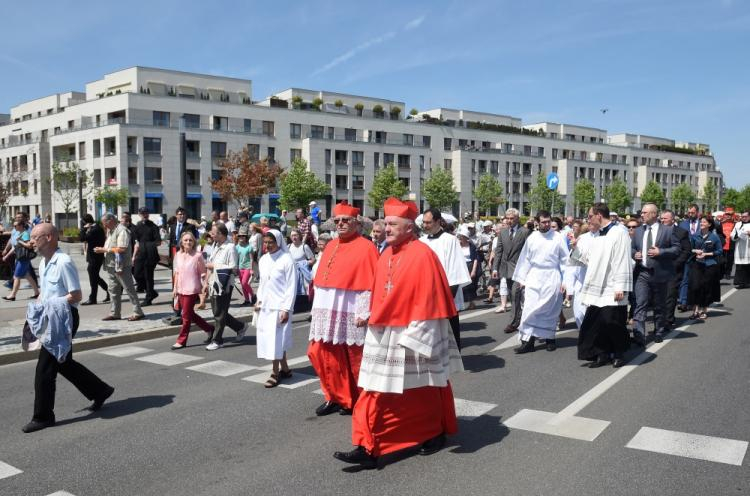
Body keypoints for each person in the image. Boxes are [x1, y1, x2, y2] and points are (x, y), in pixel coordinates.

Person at [333, 197, 463, 470]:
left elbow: (430, 300)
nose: (386, 228)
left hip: (411, 333)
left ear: (409, 227)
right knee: (374, 391)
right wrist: (368, 312)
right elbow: (378, 290)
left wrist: (418, 335)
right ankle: (368, 445)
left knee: (424, 389)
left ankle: (433, 431)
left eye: (392, 224)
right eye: (386, 223)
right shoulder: (386, 253)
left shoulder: (423, 254)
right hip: (384, 332)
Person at [22, 223, 114, 433]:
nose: (32, 241)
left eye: (36, 237)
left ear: (50, 237)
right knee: (63, 363)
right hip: (50, 317)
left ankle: (43, 416)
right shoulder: (44, 262)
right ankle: (100, 390)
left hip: (63, 318)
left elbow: (76, 295)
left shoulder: (63, 262)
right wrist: (38, 306)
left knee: (44, 369)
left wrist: (50, 304)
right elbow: (47, 293)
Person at [308, 202, 378, 416]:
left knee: (354, 357)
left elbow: (370, 281)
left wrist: (364, 311)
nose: (340, 224)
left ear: (356, 223)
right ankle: (334, 396)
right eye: (337, 221)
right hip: (326, 309)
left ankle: (359, 399)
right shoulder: (330, 245)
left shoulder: (367, 247)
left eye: (345, 220)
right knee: (322, 354)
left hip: (350, 309)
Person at [572, 203, 633, 368]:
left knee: (612, 321)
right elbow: (590, 259)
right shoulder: (598, 235)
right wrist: (575, 248)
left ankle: (619, 353)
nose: (588, 220)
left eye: (590, 216)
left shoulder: (619, 232)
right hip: (597, 285)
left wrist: (620, 286)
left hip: (612, 286)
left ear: (599, 215)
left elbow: (622, 259)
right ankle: (602, 353)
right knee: (595, 323)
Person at [512, 211, 569, 353]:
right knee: (530, 309)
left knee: (550, 309)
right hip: (534, 276)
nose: (547, 224)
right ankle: (528, 342)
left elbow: (565, 260)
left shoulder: (558, 238)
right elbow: (525, 259)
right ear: (537, 222)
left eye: (548, 221)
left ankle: (550, 339)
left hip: (552, 275)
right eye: (544, 222)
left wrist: (565, 280)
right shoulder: (532, 238)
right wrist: (522, 278)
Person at [419, 208, 471, 348]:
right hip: (426, 293)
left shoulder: (450, 240)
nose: (425, 225)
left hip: (446, 293)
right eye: (424, 222)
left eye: (428, 222)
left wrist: (447, 297)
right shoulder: (421, 241)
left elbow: (455, 268)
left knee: (450, 330)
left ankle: (453, 360)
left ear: (438, 221)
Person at [630, 203, 680, 345]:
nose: (642, 215)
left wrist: (661, 252)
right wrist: (635, 254)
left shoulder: (668, 230)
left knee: (659, 304)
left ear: (653, 214)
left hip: (660, 273)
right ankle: (639, 334)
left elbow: (677, 249)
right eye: (642, 212)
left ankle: (659, 331)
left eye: (645, 212)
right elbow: (631, 248)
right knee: (640, 303)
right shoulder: (639, 231)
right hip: (642, 273)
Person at [255, 229, 297, 387]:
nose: (267, 246)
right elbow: (262, 283)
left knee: (275, 340)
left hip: (280, 306)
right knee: (274, 339)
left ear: (278, 242)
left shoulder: (287, 260)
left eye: (270, 243)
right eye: (265, 243)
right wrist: (258, 301)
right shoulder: (264, 259)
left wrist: (286, 309)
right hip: (266, 305)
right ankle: (285, 368)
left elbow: (291, 286)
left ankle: (274, 372)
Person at [205, 223, 247, 350]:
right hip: (213, 282)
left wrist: (214, 266)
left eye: (213, 232)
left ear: (220, 234)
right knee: (218, 312)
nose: (211, 235)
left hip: (225, 285)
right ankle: (240, 327)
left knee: (219, 313)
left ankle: (217, 340)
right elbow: (209, 264)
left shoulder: (230, 247)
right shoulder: (215, 246)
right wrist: (205, 282)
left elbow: (234, 268)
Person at [171, 231, 214, 349]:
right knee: (190, 314)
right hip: (180, 288)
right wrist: (174, 288)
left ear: (194, 242)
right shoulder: (178, 255)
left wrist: (205, 287)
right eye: (185, 240)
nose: (188, 242)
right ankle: (209, 328)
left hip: (192, 288)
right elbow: (177, 272)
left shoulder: (197, 255)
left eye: (190, 240)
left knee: (185, 315)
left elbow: (203, 273)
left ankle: (181, 340)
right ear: (181, 242)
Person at [97, 213, 144, 322]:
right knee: (113, 290)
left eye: (105, 223)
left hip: (121, 266)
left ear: (111, 220)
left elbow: (122, 248)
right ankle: (115, 313)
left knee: (129, 289)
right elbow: (111, 246)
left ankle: (138, 312)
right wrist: (103, 248)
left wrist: (104, 250)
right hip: (111, 265)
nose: (104, 226)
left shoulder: (122, 230)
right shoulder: (111, 231)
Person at [492, 208, 530, 329]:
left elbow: (529, 252)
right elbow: (499, 251)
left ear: (517, 218)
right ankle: (520, 318)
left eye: (512, 218)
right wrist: (494, 269)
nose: (509, 221)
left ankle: (513, 322)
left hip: (519, 270)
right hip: (506, 269)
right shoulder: (502, 232)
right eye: (507, 218)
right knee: (513, 296)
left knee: (515, 294)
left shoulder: (525, 232)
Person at [660, 210, 692, 331]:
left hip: (674, 269)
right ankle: (660, 319)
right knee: (660, 296)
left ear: (673, 219)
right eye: (661, 219)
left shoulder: (681, 232)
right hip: (660, 268)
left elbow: (687, 250)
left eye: (665, 219)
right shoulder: (658, 231)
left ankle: (668, 320)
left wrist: (676, 263)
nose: (662, 221)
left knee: (670, 295)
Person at [687, 216, 723, 320]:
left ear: (709, 224)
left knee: (706, 288)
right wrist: (695, 251)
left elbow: (719, 251)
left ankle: (704, 311)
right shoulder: (695, 236)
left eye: (704, 222)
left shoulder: (714, 237)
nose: (701, 223)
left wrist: (706, 254)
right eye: (701, 221)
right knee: (695, 287)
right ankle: (695, 311)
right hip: (696, 265)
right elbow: (689, 249)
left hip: (709, 266)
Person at [2, 220, 40, 301]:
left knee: (16, 276)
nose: (14, 227)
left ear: (21, 226)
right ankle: (37, 293)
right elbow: (15, 247)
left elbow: (29, 246)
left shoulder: (25, 234)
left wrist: (19, 241)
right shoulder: (20, 234)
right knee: (27, 275)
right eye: (14, 226)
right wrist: (7, 255)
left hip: (23, 259)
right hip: (21, 258)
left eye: (15, 226)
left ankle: (12, 295)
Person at [132, 207, 161, 306]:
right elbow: (136, 241)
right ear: (139, 215)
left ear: (148, 214)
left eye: (146, 213)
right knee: (137, 274)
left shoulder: (153, 226)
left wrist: (148, 245)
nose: (144, 215)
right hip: (140, 254)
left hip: (151, 255)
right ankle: (152, 292)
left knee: (148, 277)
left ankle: (148, 298)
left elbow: (158, 242)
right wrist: (134, 255)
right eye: (142, 213)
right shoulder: (138, 226)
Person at [79, 214, 110, 305]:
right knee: (94, 277)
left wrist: (83, 229)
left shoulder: (95, 229)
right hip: (94, 256)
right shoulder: (96, 228)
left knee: (93, 277)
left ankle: (93, 298)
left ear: (85, 222)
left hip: (95, 257)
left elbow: (82, 238)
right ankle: (107, 291)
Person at [677, 204, 700, 310]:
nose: (690, 214)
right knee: (685, 278)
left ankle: (697, 301)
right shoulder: (683, 224)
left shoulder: (703, 223)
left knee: (697, 279)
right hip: (686, 255)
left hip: (700, 256)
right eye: (689, 212)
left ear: (697, 213)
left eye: (692, 212)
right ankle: (683, 301)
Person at [288, 228, 315, 310]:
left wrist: (304, 263)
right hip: (293, 272)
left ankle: (310, 308)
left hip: (303, 273)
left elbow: (313, 260)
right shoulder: (288, 247)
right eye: (292, 235)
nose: (294, 237)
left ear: (299, 236)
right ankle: (294, 307)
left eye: (295, 235)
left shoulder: (304, 246)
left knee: (307, 291)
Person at [456, 225, 479, 310]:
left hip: (470, 265)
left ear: (466, 238)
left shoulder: (471, 246)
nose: (460, 239)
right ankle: (462, 303)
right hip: (461, 265)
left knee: (471, 285)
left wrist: (473, 270)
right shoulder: (458, 246)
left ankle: (472, 302)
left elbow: (476, 259)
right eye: (459, 237)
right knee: (462, 285)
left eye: (461, 237)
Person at [235, 225, 255, 305]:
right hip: (240, 268)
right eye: (240, 236)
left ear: (246, 237)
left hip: (247, 268)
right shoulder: (237, 247)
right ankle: (247, 300)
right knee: (243, 286)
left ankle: (253, 295)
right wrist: (235, 268)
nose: (241, 237)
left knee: (244, 283)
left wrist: (251, 269)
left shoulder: (249, 247)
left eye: (243, 236)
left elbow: (251, 259)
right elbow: (236, 259)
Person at [732, 211, 750, 289]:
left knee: (748, 265)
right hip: (739, 247)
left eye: (745, 216)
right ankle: (740, 283)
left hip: (748, 248)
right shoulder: (737, 224)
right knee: (740, 266)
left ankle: (748, 282)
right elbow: (732, 234)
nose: (743, 218)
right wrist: (736, 235)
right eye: (742, 216)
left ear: (749, 216)